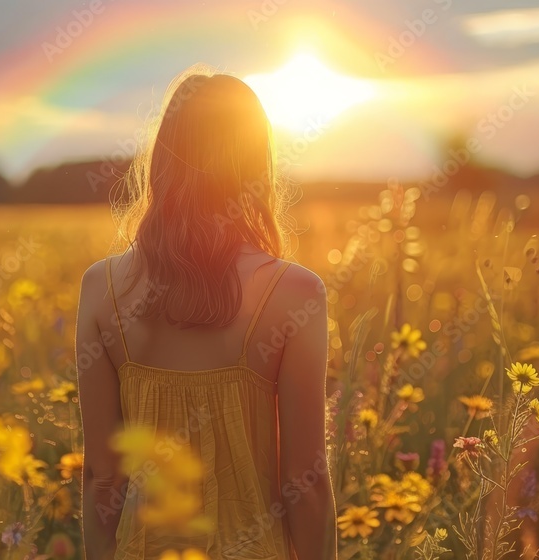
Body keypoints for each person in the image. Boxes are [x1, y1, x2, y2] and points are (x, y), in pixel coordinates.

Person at [75, 63, 337, 560]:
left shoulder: (101, 287)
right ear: (257, 163)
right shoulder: (295, 292)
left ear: (164, 158)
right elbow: (306, 481)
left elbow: (101, 476)